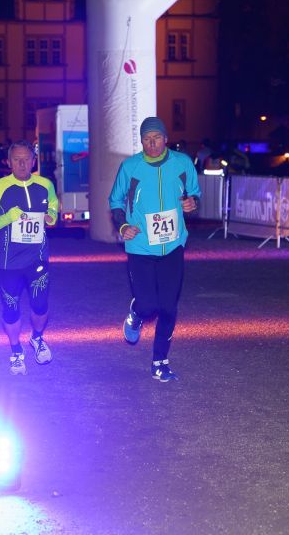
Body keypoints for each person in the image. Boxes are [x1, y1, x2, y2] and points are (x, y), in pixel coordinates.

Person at [109, 116, 200, 383]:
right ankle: (136, 314)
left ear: (166, 139)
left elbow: (194, 194)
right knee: (149, 305)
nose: (152, 144)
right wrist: (123, 225)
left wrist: (192, 203)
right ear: (141, 141)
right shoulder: (130, 167)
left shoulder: (183, 163)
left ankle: (160, 362)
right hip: (140, 246)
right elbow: (115, 200)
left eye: (156, 138)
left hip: (172, 245)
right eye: (147, 139)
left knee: (169, 307)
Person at [0, 142, 58, 375]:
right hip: (10, 263)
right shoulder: (0, 187)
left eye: (26, 159)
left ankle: (37, 338)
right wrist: (9, 216)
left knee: (40, 305)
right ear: (9, 162)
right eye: (17, 159)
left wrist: (52, 215)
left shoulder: (45, 184)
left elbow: (53, 205)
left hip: (38, 259)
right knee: (11, 310)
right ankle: (16, 350)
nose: (22, 164)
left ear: (33, 161)